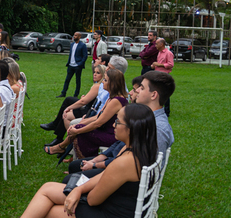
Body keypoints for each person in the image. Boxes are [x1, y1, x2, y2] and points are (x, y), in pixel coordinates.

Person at [21, 103, 157, 218]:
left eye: (117, 121)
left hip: (110, 212)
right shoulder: (141, 149)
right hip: (119, 206)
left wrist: (78, 192)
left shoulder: (125, 162)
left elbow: (93, 200)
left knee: (48, 210)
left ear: (131, 128)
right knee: (47, 189)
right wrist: (78, 190)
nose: (114, 126)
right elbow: (105, 175)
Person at [47, 69, 128, 158]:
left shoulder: (117, 101)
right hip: (105, 130)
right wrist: (81, 122)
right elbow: (97, 116)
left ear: (112, 84)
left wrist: (77, 130)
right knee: (77, 126)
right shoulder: (111, 98)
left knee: (79, 130)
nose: (102, 82)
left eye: (105, 80)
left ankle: (67, 151)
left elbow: (98, 123)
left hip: (112, 135)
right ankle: (66, 151)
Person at [43, 65, 108, 147]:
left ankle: (69, 141)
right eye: (94, 72)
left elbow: (84, 102)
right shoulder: (98, 85)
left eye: (98, 73)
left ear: (103, 75)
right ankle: (62, 137)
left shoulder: (98, 86)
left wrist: (69, 108)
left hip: (88, 110)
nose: (94, 74)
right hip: (89, 108)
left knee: (66, 114)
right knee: (68, 101)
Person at [59, 32, 88, 98]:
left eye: (75, 35)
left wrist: (80, 64)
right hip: (70, 65)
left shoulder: (82, 45)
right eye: (74, 35)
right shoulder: (72, 44)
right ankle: (63, 93)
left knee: (77, 80)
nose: (74, 36)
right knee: (67, 80)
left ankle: (76, 94)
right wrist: (69, 63)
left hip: (77, 66)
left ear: (79, 37)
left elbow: (85, 56)